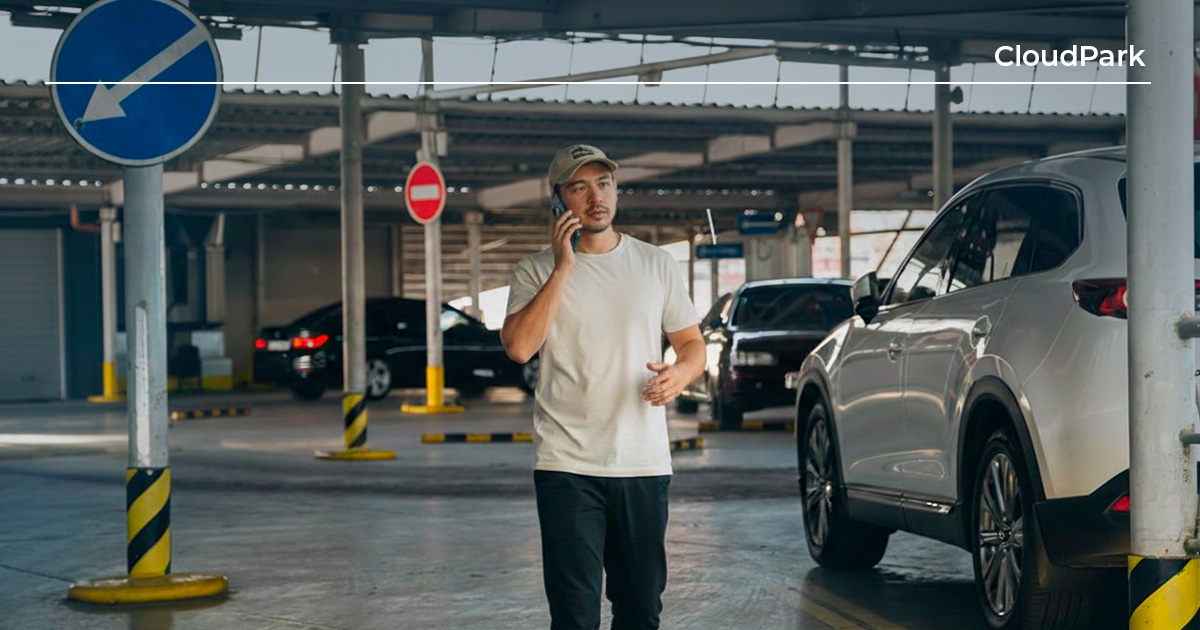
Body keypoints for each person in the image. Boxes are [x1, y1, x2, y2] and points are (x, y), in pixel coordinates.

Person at [501, 144, 706, 630]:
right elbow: (519, 347)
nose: (596, 196)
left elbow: (693, 344)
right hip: (566, 465)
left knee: (640, 610)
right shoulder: (534, 270)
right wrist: (564, 267)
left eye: (604, 183)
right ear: (559, 201)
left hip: (643, 463)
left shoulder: (656, 263)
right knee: (574, 615)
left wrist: (681, 373)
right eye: (579, 187)